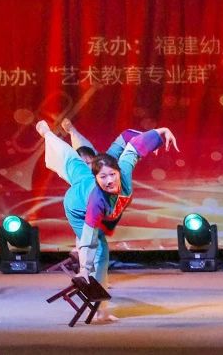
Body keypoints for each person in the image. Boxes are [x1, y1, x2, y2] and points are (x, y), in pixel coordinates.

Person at [40, 119, 178, 323]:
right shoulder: (96, 200)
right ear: (96, 178)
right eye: (103, 177)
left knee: (79, 161)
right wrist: (84, 270)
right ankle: (100, 310)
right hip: (77, 207)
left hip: (98, 199)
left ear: (118, 171)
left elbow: (132, 148)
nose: (110, 181)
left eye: (112, 175)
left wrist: (160, 132)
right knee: (100, 251)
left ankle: (65, 133)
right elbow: (89, 237)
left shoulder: (123, 169)